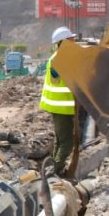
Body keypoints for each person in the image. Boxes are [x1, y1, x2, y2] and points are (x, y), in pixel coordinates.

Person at [40, 26, 77, 178]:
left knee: (59, 140)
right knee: (67, 143)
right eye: (71, 39)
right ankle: (54, 171)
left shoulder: (57, 57)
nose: (74, 41)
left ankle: (54, 169)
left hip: (58, 105)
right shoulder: (60, 58)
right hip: (61, 105)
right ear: (64, 42)